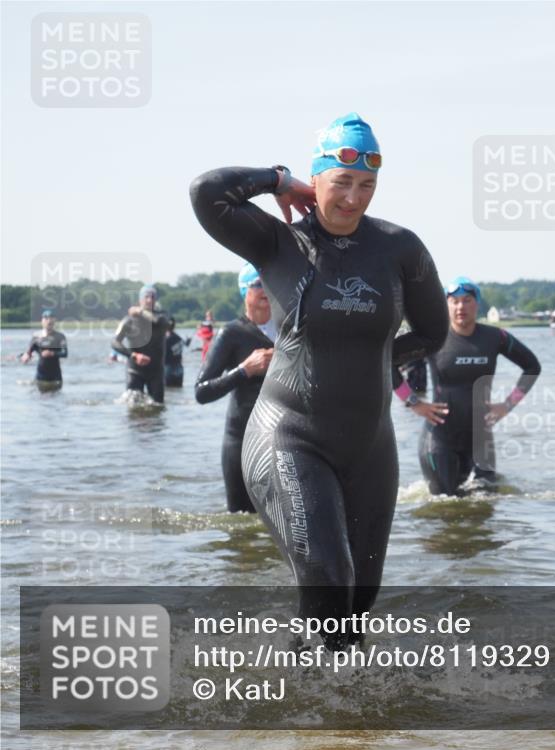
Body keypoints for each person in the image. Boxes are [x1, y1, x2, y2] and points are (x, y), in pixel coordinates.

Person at [189, 112, 448, 648]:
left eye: (368, 185)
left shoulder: (401, 250)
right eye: (342, 182)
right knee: (329, 580)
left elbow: (433, 331)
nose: (354, 198)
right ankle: (309, 701)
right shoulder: (278, 244)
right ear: (317, 180)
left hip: (369, 446)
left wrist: (378, 360)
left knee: (357, 604)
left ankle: (337, 717)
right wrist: (277, 180)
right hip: (289, 436)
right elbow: (206, 193)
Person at [395, 276, 541, 496]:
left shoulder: (495, 337)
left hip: (480, 440)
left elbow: (532, 367)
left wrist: (508, 405)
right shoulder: (433, 338)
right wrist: (413, 402)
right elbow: (388, 363)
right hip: (439, 439)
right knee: (445, 505)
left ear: (477, 303)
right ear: (446, 304)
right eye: (454, 301)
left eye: (467, 300)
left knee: (486, 502)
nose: (460, 306)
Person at [195, 263, 276, 513]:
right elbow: (202, 391)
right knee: (243, 525)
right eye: (258, 284)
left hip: (285, 441)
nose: (266, 289)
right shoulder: (232, 333)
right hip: (242, 442)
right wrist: (244, 370)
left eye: (269, 282)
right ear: (245, 291)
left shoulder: (289, 329)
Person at [111, 284, 170, 404]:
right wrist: (134, 355)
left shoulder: (163, 317)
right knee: (134, 409)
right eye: (146, 297)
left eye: (153, 297)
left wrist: (140, 310)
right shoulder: (128, 320)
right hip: (135, 371)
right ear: (140, 300)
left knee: (158, 407)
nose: (149, 300)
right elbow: (114, 342)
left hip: (156, 372)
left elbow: (156, 321)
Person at [20, 309, 67, 390]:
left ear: (54, 321)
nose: (49, 321)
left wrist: (51, 353)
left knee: (55, 400)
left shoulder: (60, 337)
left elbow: (65, 353)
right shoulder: (36, 336)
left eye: (51, 319)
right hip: (40, 376)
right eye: (46, 319)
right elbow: (30, 351)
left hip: (56, 376)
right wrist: (26, 356)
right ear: (42, 321)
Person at [164, 317, 190, 387]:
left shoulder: (164, 339)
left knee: (168, 392)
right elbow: (186, 345)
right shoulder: (178, 338)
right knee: (178, 389)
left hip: (167, 369)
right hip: (179, 368)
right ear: (174, 326)